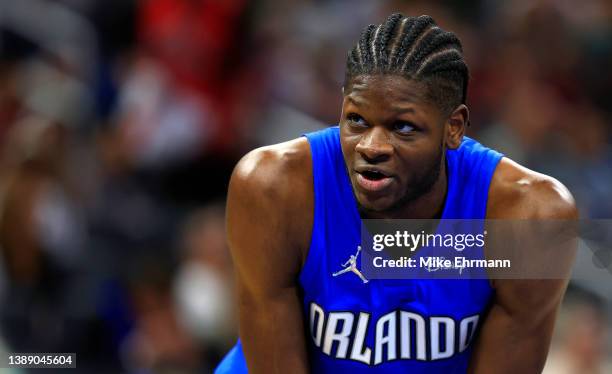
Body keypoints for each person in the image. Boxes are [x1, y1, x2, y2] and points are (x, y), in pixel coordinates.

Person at [215, 13, 578, 373]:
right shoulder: (273, 188)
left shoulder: (530, 218)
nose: (371, 146)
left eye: (402, 127)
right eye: (356, 119)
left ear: (453, 128)